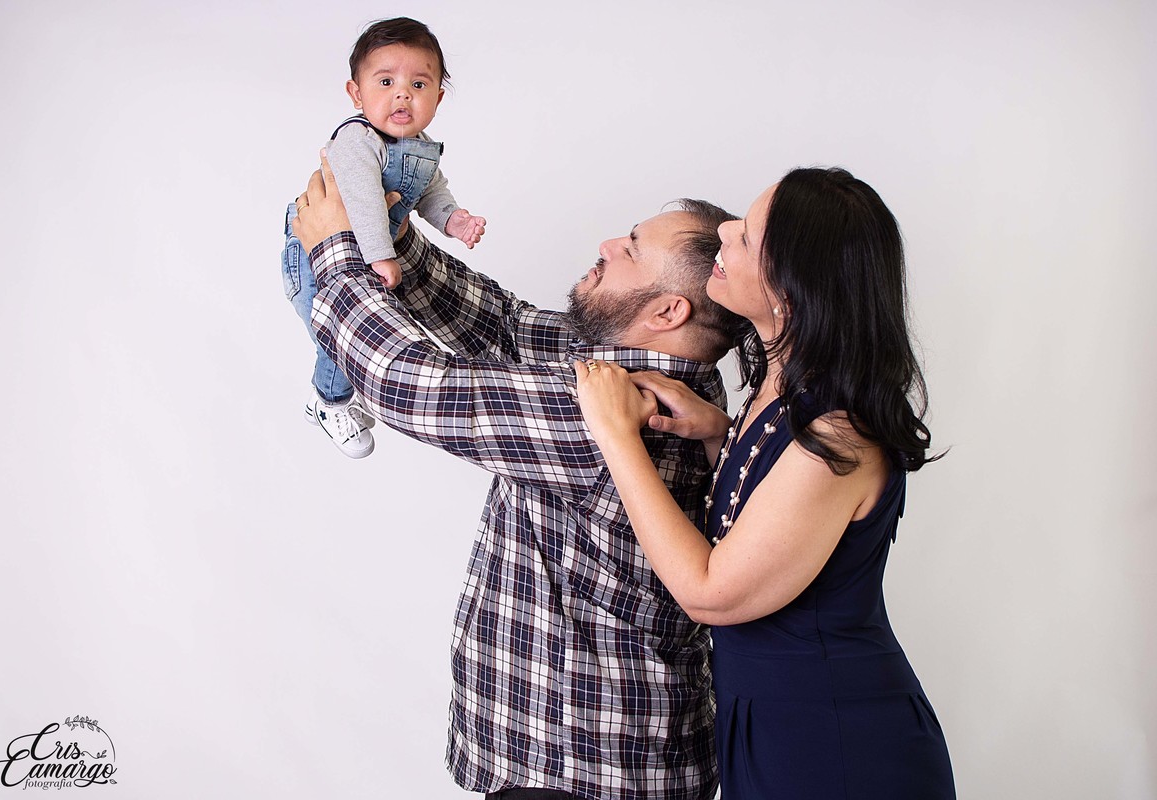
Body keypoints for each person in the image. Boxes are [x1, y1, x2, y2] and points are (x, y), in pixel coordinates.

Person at [292, 155, 748, 800]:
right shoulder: (640, 374)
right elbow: (503, 325)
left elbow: (408, 384)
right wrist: (391, 236)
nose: (608, 245)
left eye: (631, 248)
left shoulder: (623, 407)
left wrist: (335, 255)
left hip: (581, 770)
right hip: (591, 760)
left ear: (669, 312)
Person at [575, 168, 958, 798]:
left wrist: (617, 438)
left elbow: (710, 594)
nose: (725, 231)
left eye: (747, 236)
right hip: (769, 719)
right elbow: (767, 509)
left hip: (832, 740)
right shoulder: (781, 385)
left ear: (790, 290)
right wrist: (719, 434)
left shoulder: (840, 434)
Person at [281, 17, 486, 458]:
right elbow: (365, 203)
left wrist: (454, 220)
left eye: (418, 84)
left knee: (360, 337)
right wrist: (381, 255)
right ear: (356, 93)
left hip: (362, 257)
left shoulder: (420, 146)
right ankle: (329, 403)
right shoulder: (357, 139)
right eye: (386, 81)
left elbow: (432, 194)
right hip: (314, 256)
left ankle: (331, 395)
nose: (402, 94)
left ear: (438, 98)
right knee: (340, 335)